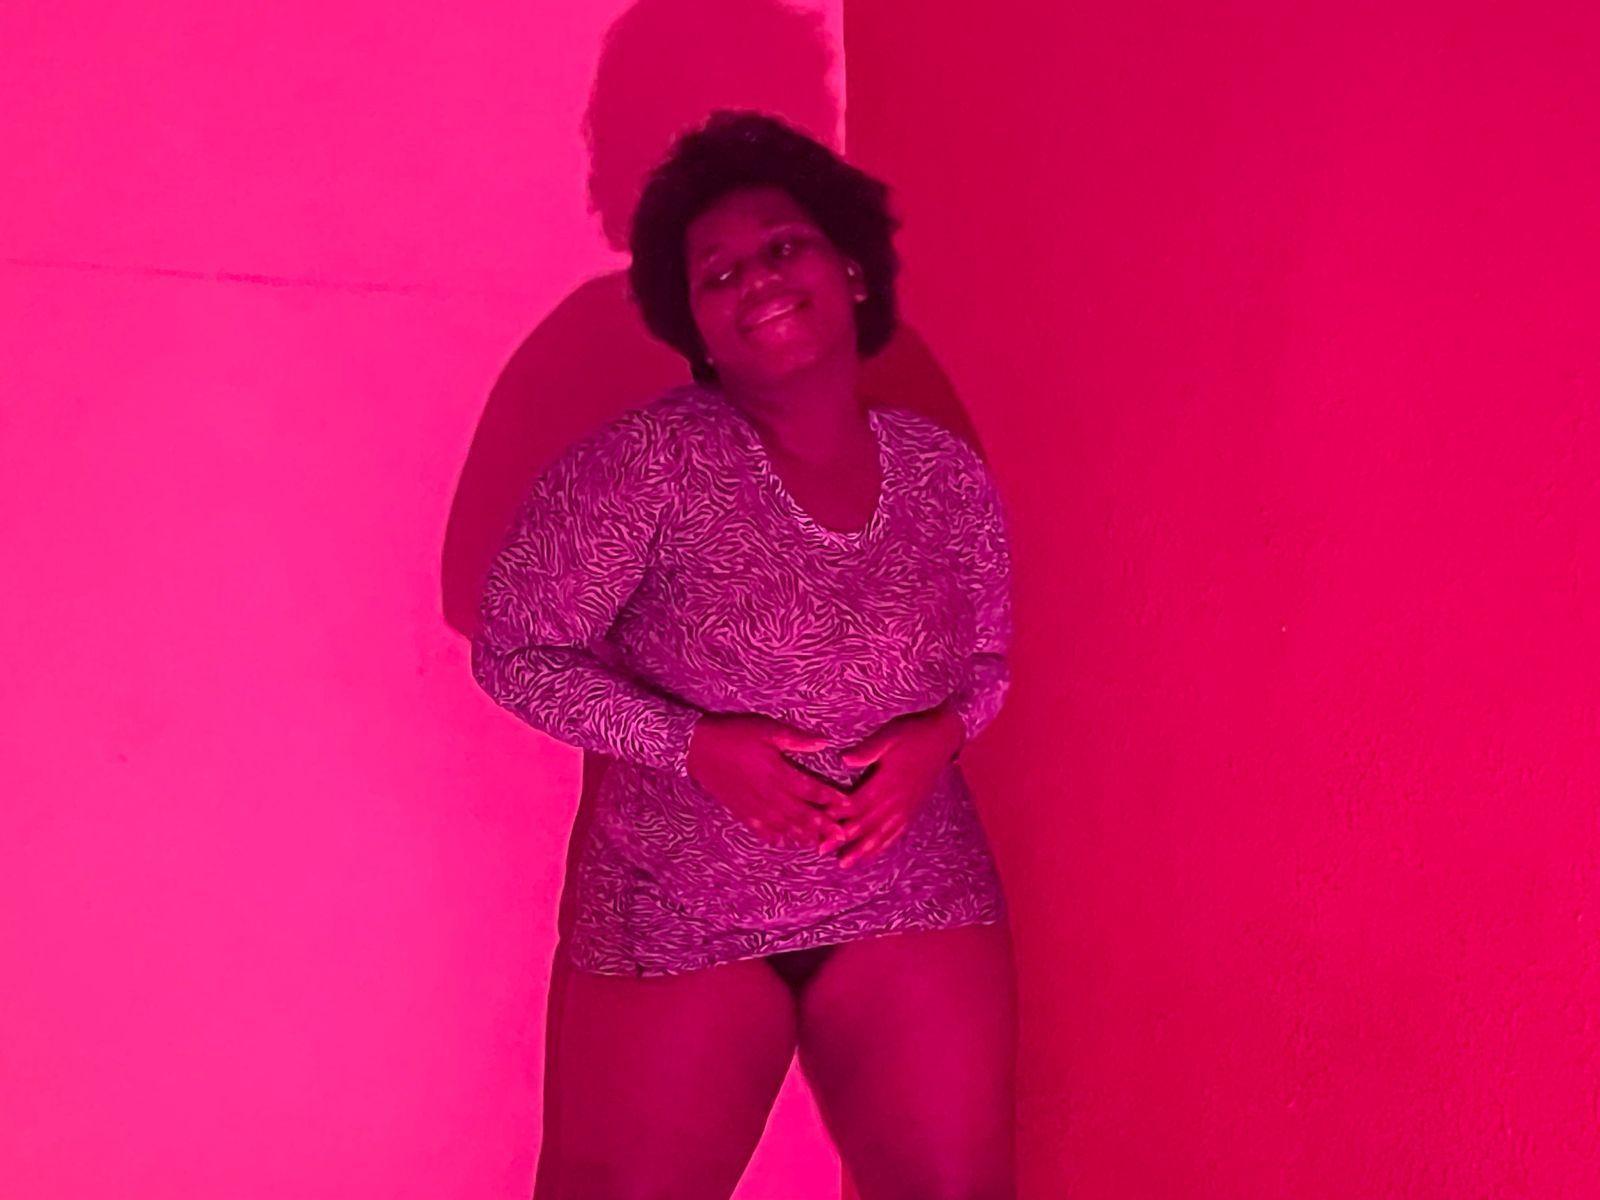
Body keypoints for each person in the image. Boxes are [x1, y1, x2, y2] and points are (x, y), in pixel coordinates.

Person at [472, 109, 1019, 1200]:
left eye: (782, 246)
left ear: (851, 270)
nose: (756, 279)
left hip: (912, 889)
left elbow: (990, 663)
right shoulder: (648, 462)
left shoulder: (942, 470)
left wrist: (940, 740)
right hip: (682, 907)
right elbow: (515, 650)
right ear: (697, 327)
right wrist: (695, 747)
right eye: (717, 274)